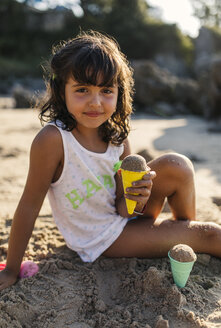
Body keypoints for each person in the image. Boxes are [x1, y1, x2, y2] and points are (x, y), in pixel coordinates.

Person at [0, 30, 221, 291]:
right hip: (103, 238)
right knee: (212, 235)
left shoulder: (117, 136)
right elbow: (28, 205)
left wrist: (136, 196)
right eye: (82, 89)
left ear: (119, 91)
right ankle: (187, 237)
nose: (95, 102)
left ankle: (182, 236)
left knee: (177, 165)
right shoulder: (53, 140)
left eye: (106, 90)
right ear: (62, 91)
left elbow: (123, 208)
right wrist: (11, 269)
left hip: (123, 218)